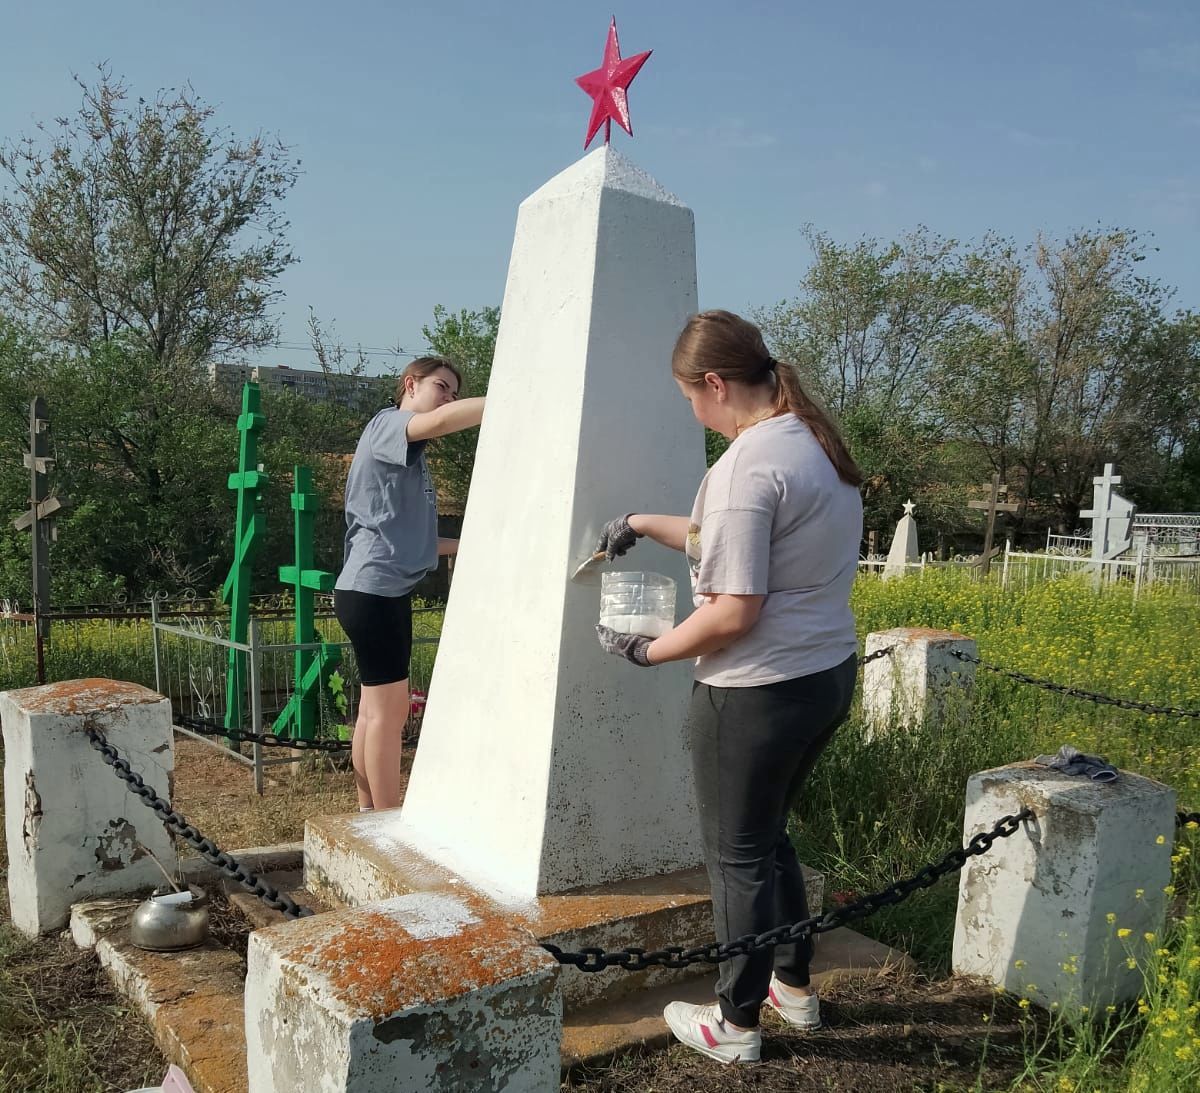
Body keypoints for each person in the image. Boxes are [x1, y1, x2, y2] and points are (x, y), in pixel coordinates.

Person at [595, 309, 863, 1065]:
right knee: (769, 837)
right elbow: (737, 538)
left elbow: (734, 612)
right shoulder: (812, 443)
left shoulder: (748, 462)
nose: (693, 411)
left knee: (736, 855)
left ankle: (735, 1023)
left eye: (689, 396)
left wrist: (648, 651)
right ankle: (795, 988)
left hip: (755, 691)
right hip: (823, 678)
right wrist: (645, 521)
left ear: (714, 383)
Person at [335, 356, 485, 812]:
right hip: (374, 591)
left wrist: (473, 543)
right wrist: (509, 397)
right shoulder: (387, 425)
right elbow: (438, 422)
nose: (449, 398)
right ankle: (386, 822)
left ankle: (367, 812)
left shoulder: (410, 462)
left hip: (379, 590)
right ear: (410, 384)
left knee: (372, 710)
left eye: (455, 392)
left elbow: (417, 539)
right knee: (389, 713)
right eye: (442, 386)